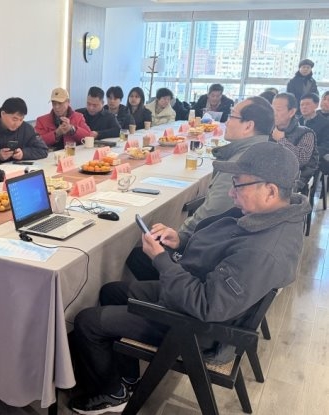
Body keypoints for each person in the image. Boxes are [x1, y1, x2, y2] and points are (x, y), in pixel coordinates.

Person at [69, 142, 309, 414]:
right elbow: (218, 249)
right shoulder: (269, 214)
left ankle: (112, 394)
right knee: (111, 291)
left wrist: (161, 259)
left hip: (198, 327)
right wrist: (181, 240)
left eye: (239, 185)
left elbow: (206, 306)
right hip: (198, 292)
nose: (231, 192)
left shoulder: (264, 251)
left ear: (270, 190)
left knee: (88, 322)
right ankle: (126, 378)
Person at [127, 96, 274, 281]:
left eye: (232, 116)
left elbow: (214, 210)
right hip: (225, 246)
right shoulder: (264, 152)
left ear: (248, 126)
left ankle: (160, 291)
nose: (226, 122)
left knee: (138, 256)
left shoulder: (242, 163)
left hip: (209, 256)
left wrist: (182, 237)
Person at [0, 97, 48, 166]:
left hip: (19, 171)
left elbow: (43, 150)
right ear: (3, 114)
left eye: (21, 119)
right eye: (14, 119)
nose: (18, 124)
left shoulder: (27, 129)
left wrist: (23, 154)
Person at [270, 92, 318, 193]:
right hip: (268, 175)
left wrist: (281, 140)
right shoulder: (268, 130)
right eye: (272, 109)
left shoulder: (306, 133)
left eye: (278, 109)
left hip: (293, 180)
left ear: (291, 112)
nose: (273, 113)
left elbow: (301, 160)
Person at [299, 93, 329, 173]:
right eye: (302, 104)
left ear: (316, 105)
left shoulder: (325, 124)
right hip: (293, 157)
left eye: (307, 104)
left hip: (312, 161)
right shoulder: (296, 121)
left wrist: (308, 155)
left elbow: (325, 146)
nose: (304, 107)